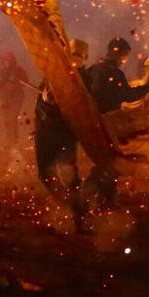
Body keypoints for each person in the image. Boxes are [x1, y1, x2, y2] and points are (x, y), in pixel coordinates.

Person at [83, 37, 149, 209]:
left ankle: (103, 198)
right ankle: (91, 196)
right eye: (125, 56)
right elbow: (128, 96)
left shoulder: (93, 69)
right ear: (120, 54)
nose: (124, 60)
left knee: (108, 161)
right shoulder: (114, 73)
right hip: (108, 124)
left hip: (94, 122)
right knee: (110, 162)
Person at [33, 38, 89, 230]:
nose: (75, 59)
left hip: (66, 133)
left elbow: (83, 109)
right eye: (72, 55)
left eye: (79, 56)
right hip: (45, 133)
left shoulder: (84, 80)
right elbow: (40, 104)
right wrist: (46, 102)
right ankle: (69, 204)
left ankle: (80, 214)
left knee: (70, 175)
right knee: (45, 174)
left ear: (85, 58)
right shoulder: (52, 74)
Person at [0, 51, 28, 152]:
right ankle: (9, 142)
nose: (8, 63)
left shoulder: (19, 71)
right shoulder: (0, 72)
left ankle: (15, 143)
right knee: (5, 121)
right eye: (6, 61)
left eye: (9, 61)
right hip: (4, 99)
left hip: (16, 98)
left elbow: (25, 82)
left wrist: (15, 83)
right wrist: (0, 80)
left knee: (12, 119)